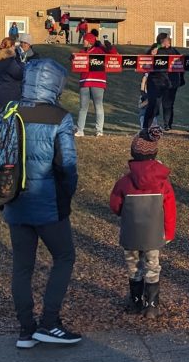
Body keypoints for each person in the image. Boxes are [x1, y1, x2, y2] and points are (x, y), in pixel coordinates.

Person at [5, 58, 80, 348]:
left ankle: (26, 329)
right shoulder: (60, 117)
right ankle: (49, 322)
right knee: (64, 257)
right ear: (55, 84)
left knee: (22, 266)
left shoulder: (10, 111)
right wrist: (66, 197)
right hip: (49, 203)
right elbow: (68, 166)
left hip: (13, 199)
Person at [109, 127, 177, 319]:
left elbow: (115, 205)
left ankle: (135, 301)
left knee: (133, 266)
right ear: (154, 153)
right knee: (152, 266)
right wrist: (169, 232)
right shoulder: (163, 183)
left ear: (133, 153)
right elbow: (170, 209)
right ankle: (152, 305)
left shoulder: (124, 182)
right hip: (154, 233)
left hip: (131, 232)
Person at [143, 32, 181, 131]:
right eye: (166, 40)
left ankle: (168, 125)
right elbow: (145, 62)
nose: (168, 42)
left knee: (168, 105)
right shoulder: (154, 49)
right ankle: (147, 125)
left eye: (169, 40)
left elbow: (181, 63)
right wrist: (152, 54)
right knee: (153, 104)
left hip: (170, 81)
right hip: (156, 81)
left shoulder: (174, 51)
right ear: (161, 41)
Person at [76, 33, 108, 137]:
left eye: (85, 40)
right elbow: (76, 64)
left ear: (89, 41)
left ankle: (99, 130)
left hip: (98, 81)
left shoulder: (100, 50)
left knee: (98, 106)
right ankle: (80, 130)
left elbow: (113, 53)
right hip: (84, 82)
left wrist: (106, 45)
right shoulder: (81, 52)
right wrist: (73, 58)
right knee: (83, 107)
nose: (83, 41)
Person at [0, 38, 25, 117]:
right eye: (14, 46)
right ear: (11, 47)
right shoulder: (9, 61)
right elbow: (19, 75)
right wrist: (21, 64)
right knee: (9, 119)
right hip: (10, 94)